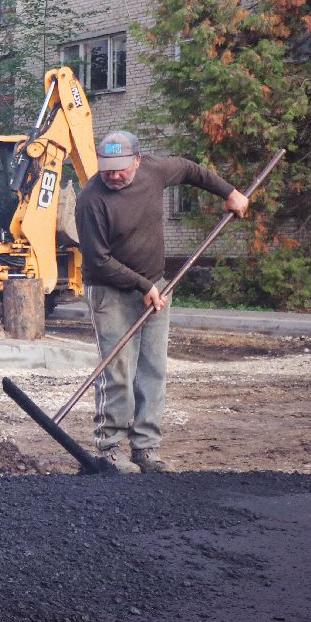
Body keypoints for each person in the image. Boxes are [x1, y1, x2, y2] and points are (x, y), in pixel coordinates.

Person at [75, 130, 248, 473]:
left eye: (120, 168)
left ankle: (145, 448)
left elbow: (189, 170)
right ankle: (109, 447)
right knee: (117, 369)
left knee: (153, 369)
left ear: (138, 161)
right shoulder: (90, 200)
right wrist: (143, 285)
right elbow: (98, 260)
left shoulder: (156, 170)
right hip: (111, 291)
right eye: (106, 168)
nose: (112, 175)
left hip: (155, 287)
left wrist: (229, 192)